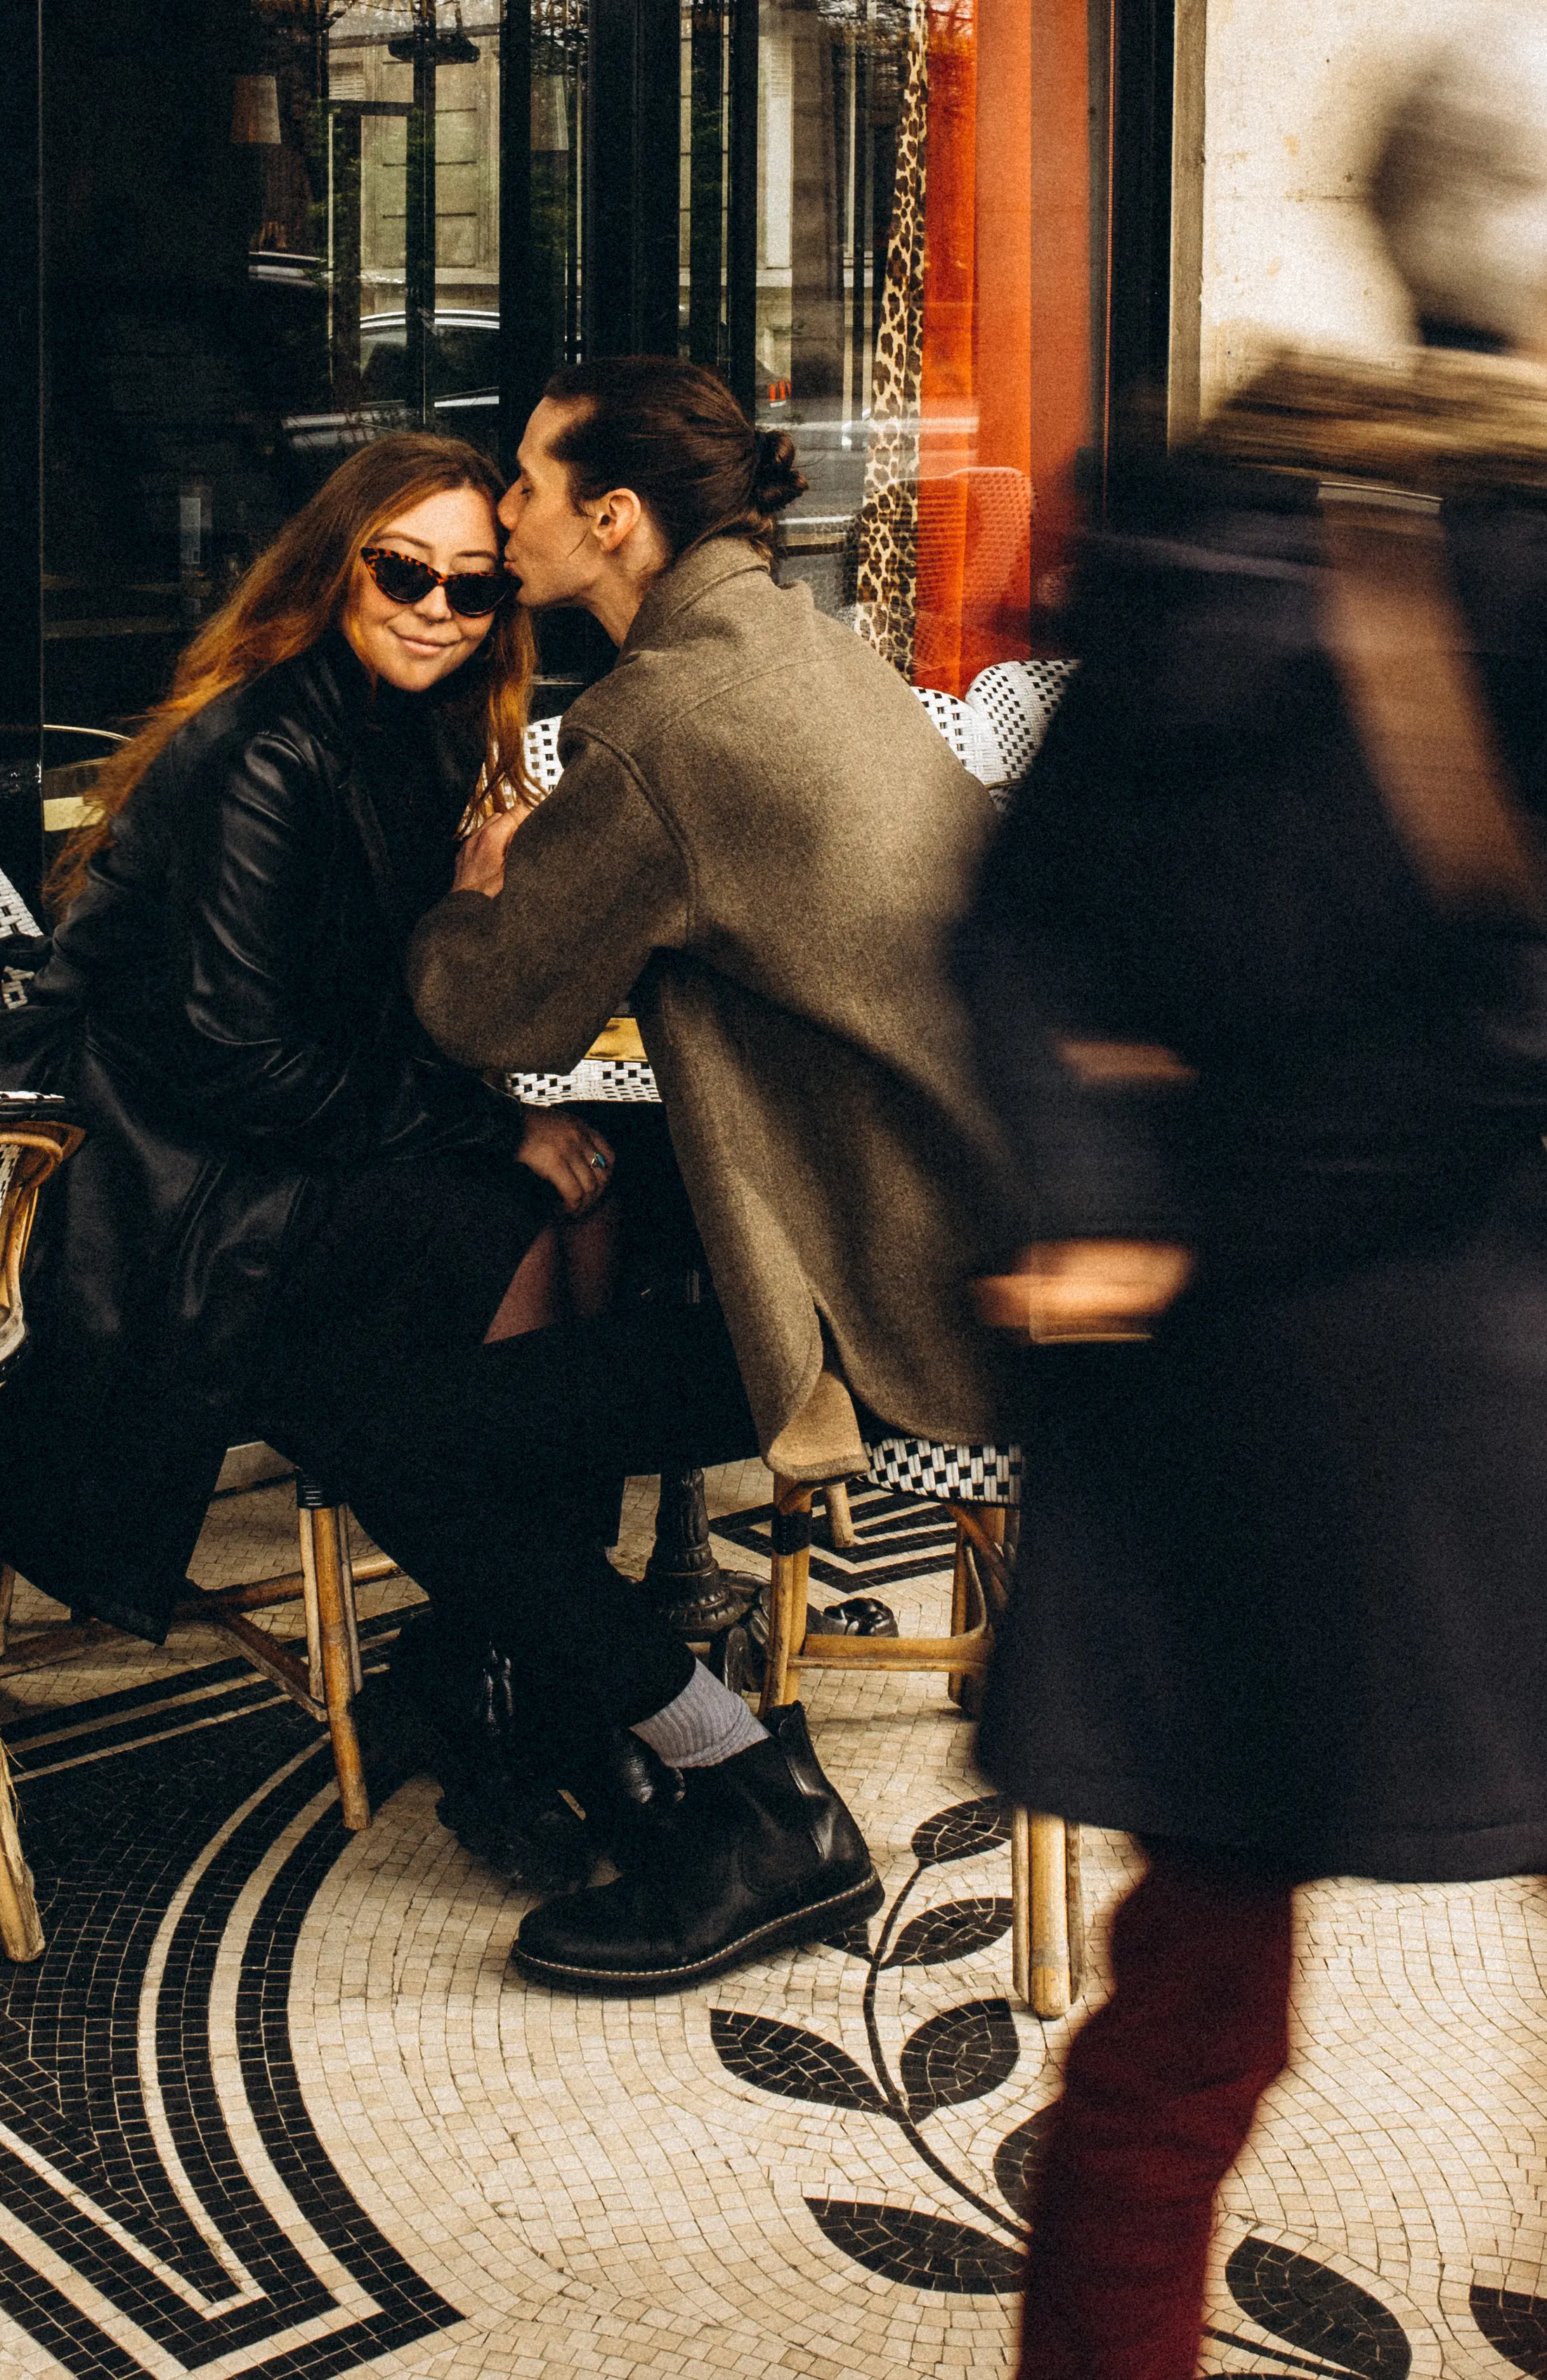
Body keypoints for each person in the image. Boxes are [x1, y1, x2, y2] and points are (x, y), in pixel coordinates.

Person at [959, 0, 1547, 2375]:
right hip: (1489, 1404)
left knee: (1189, 1998)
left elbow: (1007, 913)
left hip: (1198, 1404)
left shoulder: (1191, 530)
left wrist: (1114, 1184)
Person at [404, 354, 1019, 1996]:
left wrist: (478, 881)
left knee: (425, 1447)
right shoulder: (818, 649)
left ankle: (748, 1789)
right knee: (595, 1274)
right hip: (1005, 1233)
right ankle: (578, 1711)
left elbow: (493, 1007)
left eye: (525, 485)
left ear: (611, 521)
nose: (502, 509)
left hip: (899, 1299)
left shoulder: (656, 721)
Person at [0, 428, 632, 1881]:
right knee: (516, 1223)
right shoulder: (268, 747)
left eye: (473, 590)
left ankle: (502, 1652)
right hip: (154, 1171)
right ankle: (521, 1677)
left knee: (602, 1210)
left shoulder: (431, 733)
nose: (436, 610)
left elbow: (382, 1010)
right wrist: (491, 1125)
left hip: (265, 1129)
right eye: (404, 571)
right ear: (339, 566)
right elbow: (244, 1062)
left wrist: (478, 901)